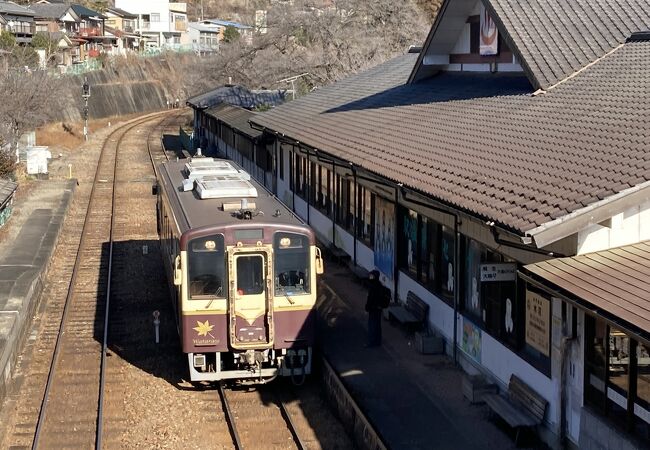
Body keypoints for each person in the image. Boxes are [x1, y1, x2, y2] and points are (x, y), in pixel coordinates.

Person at [365, 270, 385, 347]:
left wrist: (367, 307)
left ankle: (372, 342)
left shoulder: (373, 287)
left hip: (373, 308)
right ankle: (377, 341)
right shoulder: (379, 285)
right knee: (377, 325)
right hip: (378, 308)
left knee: (372, 325)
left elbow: (370, 299)